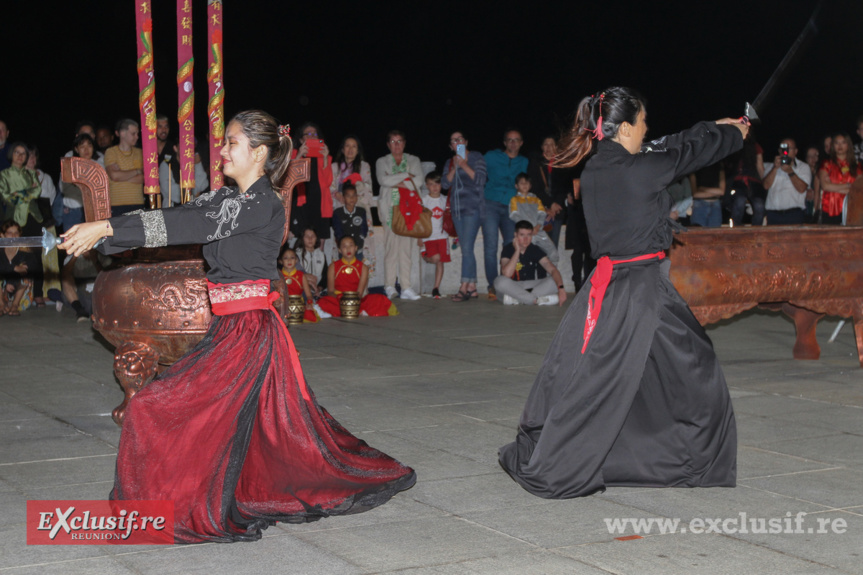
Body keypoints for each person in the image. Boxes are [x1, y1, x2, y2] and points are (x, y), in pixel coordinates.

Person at [58, 110, 415, 543]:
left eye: (231, 143)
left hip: (248, 333)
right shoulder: (223, 199)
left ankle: (173, 506)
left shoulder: (260, 204)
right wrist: (105, 231)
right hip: (231, 330)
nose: (222, 150)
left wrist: (108, 226)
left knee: (158, 407)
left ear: (259, 153)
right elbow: (177, 216)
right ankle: (181, 498)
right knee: (224, 424)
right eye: (223, 142)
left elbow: (187, 225)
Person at [499, 87, 744, 498]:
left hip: (610, 286)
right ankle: (689, 457)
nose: (647, 130)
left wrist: (713, 126)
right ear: (626, 127)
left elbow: (665, 146)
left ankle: (647, 453)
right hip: (641, 292)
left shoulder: (597, 168)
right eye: (643, 122)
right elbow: (688, 156)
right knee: (690, 367)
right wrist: (734, 135)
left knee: (612, 376)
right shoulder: (639, 170)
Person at [376, 130, 423, 301]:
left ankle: (406, 287)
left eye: (400, 141)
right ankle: (389, 286)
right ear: (388, 145)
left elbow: (418, 182)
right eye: (393, 142)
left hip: (409, 211)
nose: (397, 145)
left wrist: (395, 179)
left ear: (404, 143)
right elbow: (383, 180)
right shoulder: (382, 161)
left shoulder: (414, 160)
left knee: (406, 251)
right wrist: (406, 177)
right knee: (391, 251)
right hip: (390, 210)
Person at [441, 131, 486, 302]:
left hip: (473, 209)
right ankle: (473, 287)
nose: (457, 142)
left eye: (460, 139)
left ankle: (463, 287)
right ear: (451, 146)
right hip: (457, 211)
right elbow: (445, 184)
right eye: (453, 140)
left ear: (466, 142)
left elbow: (481, 179)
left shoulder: (476, 157)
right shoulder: (449, 162)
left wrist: (465, 165)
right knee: (467, 249)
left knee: (466, 248)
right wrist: (455, 167)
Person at [483, 129, 528, 299]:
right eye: (509, 140)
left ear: (521, 143)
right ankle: (493, 285)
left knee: (511, 245)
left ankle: (510, 283)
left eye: (516, 140)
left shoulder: (524, 161)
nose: (513, 143)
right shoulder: (491, 157)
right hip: (491, 204)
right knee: (490, 246)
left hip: (511, 206)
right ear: (504, 142)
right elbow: (472, 165)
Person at [317, 236, 398, 317]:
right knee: (324, 301)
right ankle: (358, 311)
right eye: (344, 246)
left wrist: (351, 301)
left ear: (356, 248)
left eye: (351, 246)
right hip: (338, 299)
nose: (348, 249)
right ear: (339, 250)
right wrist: (341, 298)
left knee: (380, 299)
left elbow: (359, 293)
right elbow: (330, 291)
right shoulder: (333, 266)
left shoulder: (363, 268)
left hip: (356, 300)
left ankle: (351, 310)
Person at [494, 220, 567, 306]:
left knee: (554, 281)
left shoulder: (535, 249)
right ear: (515, 235)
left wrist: (561, 288)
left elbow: (552, 269)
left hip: (531, 286)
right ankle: (535, 300)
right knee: (499, 281)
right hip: (512, 286)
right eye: (522, 235)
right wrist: (517, 250)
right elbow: (506, 274)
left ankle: (518, 300)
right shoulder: (508, 249)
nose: (526, 239)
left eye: (529, 235)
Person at [331, 135, 375, 272]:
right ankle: (341, 278)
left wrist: (356, 185)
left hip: (359, 211)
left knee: (363, 245)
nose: (350, 149)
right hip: (341, 211)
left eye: (354, 146)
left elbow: (369, 190)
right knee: (341, 243)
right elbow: (328, 187)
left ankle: (363, 282)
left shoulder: (364, 166)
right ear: (342, 149)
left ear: (358, 150)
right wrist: (337, 194)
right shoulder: (334, 167)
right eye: (347, 146)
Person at [290, 122, 333, 242]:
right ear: (300, 139)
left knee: (320, 241)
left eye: (315, 134)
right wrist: (299, 155)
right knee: (300, 240)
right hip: (301, 204)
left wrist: (325, 158)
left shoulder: (325, 157)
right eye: (308, 134)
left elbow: (328, 182)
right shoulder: (294, 154)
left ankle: (319, 261)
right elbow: (290, 178)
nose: (312, 136)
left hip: (320, 204)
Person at [509, 172, 559, 263]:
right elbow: (513, 215)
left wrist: (538, 226)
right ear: (516, 186)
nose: (524, 185)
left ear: (530, 185)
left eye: (527, 183)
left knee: (553, 252)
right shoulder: (514, 200)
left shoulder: (535, 199)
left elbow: (542, 213)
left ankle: (550, 275)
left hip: (538, 230)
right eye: (521, 183)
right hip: (525, 233)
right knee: (523, 257)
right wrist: (527, 228)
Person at [528, 136, 567, 248]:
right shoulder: (535, 164)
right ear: (542, 147)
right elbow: (534, 188)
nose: (549, 147)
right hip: (541, 210)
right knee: (539, 245)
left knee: (552, 246)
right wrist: (550, 204)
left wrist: (555, 205)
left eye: (552, 144)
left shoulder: (562, 164)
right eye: (546, 144)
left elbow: (563, 187)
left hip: (556, 211)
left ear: (556, 147)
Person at [763, 138, 811, 225]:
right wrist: (775, 168)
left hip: (794, 214)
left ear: (795, 151)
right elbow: (765, 186)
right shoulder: (771, 166)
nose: (785, 151)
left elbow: (802, 189)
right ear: (779, 150)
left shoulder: (803, 167)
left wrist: (790, 172)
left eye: (789, 148)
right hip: (773, 214)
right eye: (783, 148)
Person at [819, 132, 862, 225]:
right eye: (837, 143)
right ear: (833, 146)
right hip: (830, 207)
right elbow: (825, 186)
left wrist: (834, 187)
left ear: (848, 145)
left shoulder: (857, 166)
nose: (840, 146)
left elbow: (859, 189)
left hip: (851, 207)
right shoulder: (827, 164)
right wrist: (848, 186)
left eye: (843, 142)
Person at [104, 119, 145, 216]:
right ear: (122, 133)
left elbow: (144, 178)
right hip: (116, 205)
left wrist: (122, 175)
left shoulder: (140, 153)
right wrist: (137, 171)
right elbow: (114, 176)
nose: (137, 137)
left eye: (137, 134)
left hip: (137, 204)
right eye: (133, 134)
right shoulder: (111, 152)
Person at [418, 171, 449, 298]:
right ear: (426, 186)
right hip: (428, 236)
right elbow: (418, 219)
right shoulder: (424, 200)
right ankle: (425, 257)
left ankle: (436, 288)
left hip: (442, 236)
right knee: (435, 258)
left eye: (437, 183)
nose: (435, 187)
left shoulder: (445, 200)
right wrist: (419, 237)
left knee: (440, 262)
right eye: (431, 184)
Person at [727, 131, 765, 226]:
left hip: (753, 181)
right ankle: (737, 227)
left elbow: (760, 168)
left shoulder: (755, 146)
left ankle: (756, 230)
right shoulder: (734, 146)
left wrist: (763, 183)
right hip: (738, 180)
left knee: (759, 205)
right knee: (740, 200)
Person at [61, 133, 99, 229]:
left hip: (93, 211)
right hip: (74, 210)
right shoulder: (70, 166)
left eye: (89, 145)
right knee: (72, 242)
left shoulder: (98, 167)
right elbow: (64, 188)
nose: (86, 149)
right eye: (82, 146)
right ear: (76, 149)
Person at [278, 246, 323, 323]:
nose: (289, 260)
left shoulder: (302, 276)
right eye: (285, 258)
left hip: (299, 305)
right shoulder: (279, 276)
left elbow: (308, 295)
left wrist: (309, 303)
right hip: (284, 305)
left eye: (292, 258)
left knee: (310, 316)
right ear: (281, 261)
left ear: (296, 260)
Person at [0, 221, 36, 315]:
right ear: (2, 235)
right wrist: (14, 268)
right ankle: (1, 304)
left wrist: (11, 281)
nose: (13, 236)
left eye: (16, 233)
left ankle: (15, 305)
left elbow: (29, 267)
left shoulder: (25, 250)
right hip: (3, 291)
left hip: (20, 295)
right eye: (9, 233)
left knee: (26, 277)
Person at [331, 183, 368, 260]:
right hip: (344, 250)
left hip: (357, 249)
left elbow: (364, 229)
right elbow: (338, 231)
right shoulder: (338, 213)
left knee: (357, 270)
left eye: (354, 195)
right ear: (343, 198)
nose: (352, 198)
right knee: (344, 270)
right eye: (348, 196)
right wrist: (345, 245)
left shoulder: (361, 211)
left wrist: (358, 244)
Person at [689, 162, 725, 227]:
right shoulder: (694, 168)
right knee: (698, 234)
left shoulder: (719, 167)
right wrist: (715, 193)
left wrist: (702, 189)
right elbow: (695, 194)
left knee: (715, 235)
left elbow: (722, 191)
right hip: (700, 204)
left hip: (714, 205)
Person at [295, 227, 327, 298]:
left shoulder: (321, 255)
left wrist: (319, 288)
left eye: (313, 236)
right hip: (301, 290)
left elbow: (325, 276)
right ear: (302, 238)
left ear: (317, 238)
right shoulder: (296, 254)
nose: (310, 239)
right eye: (307, 236)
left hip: (317, 290)